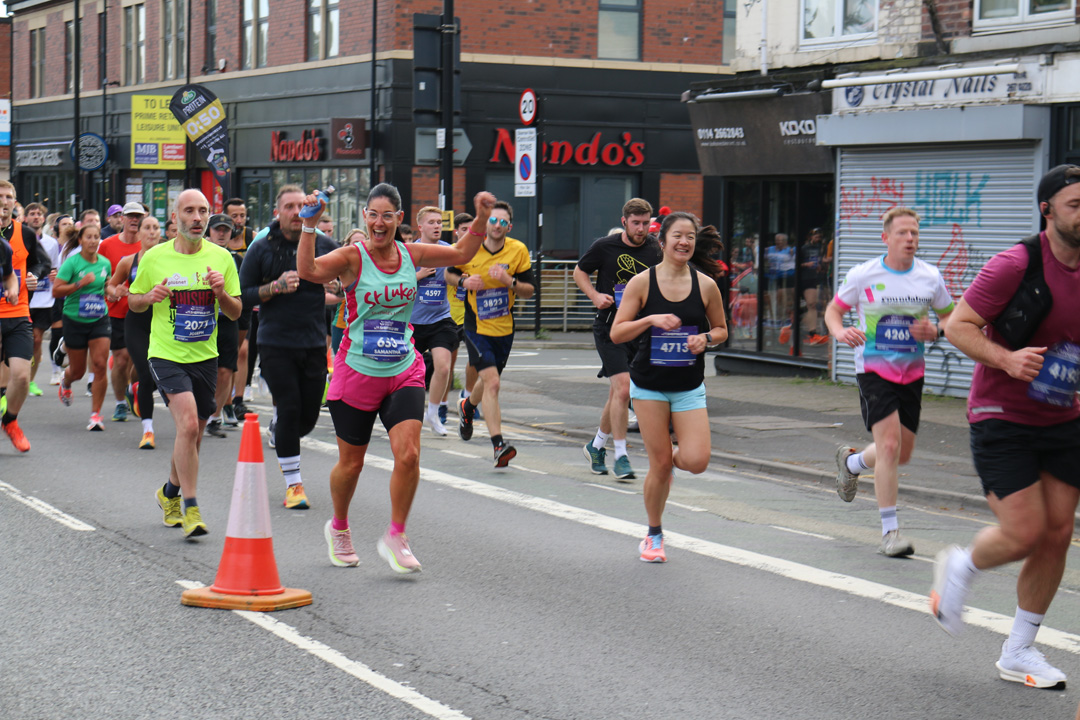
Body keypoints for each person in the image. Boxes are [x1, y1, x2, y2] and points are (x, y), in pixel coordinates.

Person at [931, 164, 1080, 689]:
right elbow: (958, 326)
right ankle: (962, 566)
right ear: (1048, 210)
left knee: (1059, 533)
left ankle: (1019, 650)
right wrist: (1008, 360)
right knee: (1024, 532)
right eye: (1075, 205)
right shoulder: (1015, 263)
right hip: (1002, 416)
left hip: (1063, 418)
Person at [296, 184, 494, 572]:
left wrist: (482, 218)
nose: (379, 223)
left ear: (400, 220)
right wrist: (309, 227)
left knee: (409, 454)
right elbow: (309, 272)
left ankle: (396, 535)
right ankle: (339, 527)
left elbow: (461, 253)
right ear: (365, 218)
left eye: (387, 215)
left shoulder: (411, 254)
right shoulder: (353, 258)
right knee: (351, 465)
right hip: (358, 372)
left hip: (403, 367)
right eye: (372, 215)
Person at [826, 206, 954, 557]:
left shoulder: (930, 277)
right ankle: (889, 533)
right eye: (902, 233)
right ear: (886, 238)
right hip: (873, 371)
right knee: (889, 448)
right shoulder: (864, 274)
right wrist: (840, 331)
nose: (910, 239)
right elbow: (833, 310)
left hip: (911, 373)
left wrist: (937, 330)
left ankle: (851, 464)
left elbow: (953, 318)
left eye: (914, 232)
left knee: (901, 452)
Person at [609, 212, 727, 563]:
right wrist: (650, 319)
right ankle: (653, 535)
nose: (684, 242)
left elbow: (721, 329)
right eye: (677, 235)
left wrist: (705, 338)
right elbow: (617, 332)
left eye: (690, 236)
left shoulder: (706, 285)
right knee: (660, 466)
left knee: (697, 460)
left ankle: (670, 460)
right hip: (649, 385)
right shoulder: (642, 283)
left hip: (689, 385)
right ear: (663, 242)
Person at [128, 189, 242, 539]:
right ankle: (192, 508)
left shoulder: (222, 258)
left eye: (203, 211)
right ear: (174, 218)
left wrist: (221, 293)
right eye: (189, 211)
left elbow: (235, 312)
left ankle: (170, 493)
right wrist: (148, 297)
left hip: (205, 357)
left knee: (193, 436)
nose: (197, 218)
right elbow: (133, 301)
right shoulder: (154, 257)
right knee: (189, 425)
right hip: (165, 354)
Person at [239, 185, 337, 509]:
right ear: (277, 212)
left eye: (301, 206)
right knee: (291, 408)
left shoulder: (323, 245)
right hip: (275, 342)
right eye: (289, 207)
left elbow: (349, 278)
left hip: (312, 341)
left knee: (306, 419)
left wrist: (338, 283)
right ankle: (294, 485)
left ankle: (279, 429)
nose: (297, 212)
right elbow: (244, 294)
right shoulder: (261, 247)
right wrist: (274, 287)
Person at [574, 198, 661, 479]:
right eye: (636, 223)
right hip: (610, 327)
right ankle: (621, 456)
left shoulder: (653, 248)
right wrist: (595, 296)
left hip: (639, 330)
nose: (641, 228)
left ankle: (596, 445)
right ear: (624, 222)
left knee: (617, 394)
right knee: (623, 390)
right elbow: (580, 271)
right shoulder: (604, 246)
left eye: (646, 223)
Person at [445, 200, 535, 467]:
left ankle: (468, 407)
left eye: (502, 221)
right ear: (486, 224)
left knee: (487, 383)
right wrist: (464, 281)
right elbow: (449, 274)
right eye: (492, 220)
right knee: (493, 383)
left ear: (510, 226)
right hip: (476, 326)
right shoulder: (470, 249)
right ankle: (498, 445)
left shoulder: (517, 250)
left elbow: (530, 289)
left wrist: (510, 282)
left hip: (504, 327)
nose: (497, 225)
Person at [0, 180, 49, 452]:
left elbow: (42, 262)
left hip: (18, 313)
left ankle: (10, 421)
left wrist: (34, 276)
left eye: (9, 197)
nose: (4, 201)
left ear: (14, 203)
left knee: (20, 376)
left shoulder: (25, 234)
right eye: (0, 196)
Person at [106, 215, 162, 449]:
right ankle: (148, 430)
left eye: (155, 228)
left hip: (163, 324)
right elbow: (109, 286)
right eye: (147, 228)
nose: (151, 232)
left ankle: (133, 388)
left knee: (160, 374)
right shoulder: (128, 261)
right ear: (139, 234)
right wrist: (115, 290)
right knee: (147, 374)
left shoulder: (171, 259)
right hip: (137, 323)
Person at [52, 224, 112, 430]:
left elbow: (106, 286)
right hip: (74, 319)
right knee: (78, 371)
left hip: (99, 318)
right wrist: (80, 284)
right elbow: (56, 291)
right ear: (81, 240)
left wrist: (112, 291)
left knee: (100, 365)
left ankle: (96, 415)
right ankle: (66, 382)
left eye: (96, 237)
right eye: (89, 237)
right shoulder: (72, 263)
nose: (93, 241)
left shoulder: (105, 263)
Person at [410, 206, 459, 436]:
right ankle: (409, 412)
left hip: (440, 318)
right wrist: (418, 276)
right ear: (420, 227)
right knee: (410, 373)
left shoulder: (448, 251)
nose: (437, 226)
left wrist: (462, 280)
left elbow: (457, 274)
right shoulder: (409, 252)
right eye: (431, 222)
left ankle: (433, 412)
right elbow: (395, 282)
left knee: (443, 366)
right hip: (412, 321)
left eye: (439, 222)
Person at [98, 201, 147, 422]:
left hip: (143, 311)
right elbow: (103, 280)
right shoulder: (107, 245)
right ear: (123, 219)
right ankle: (119, 403)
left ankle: (132, 389)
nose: (134, 220)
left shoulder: (150, 247)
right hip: (117, 311)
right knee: (121, 359)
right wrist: (110, 289)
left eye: (138, 216)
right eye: (130, 216)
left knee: (140, 361)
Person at [201, 214, 242, 438]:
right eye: (218, 229)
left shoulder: (235, 259)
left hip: (226, 319)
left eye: (227, 230)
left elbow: (241, 295)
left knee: (226, 369)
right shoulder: (199, 254)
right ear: (209, 232)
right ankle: (198, 409)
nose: (222, 233)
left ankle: (214, 417)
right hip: (200, 317)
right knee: (201, 370)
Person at [223, 197, 254, 418]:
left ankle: (238, 399)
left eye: (242, 215)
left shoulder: (251, 237)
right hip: (222, 301)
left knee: (242, 351)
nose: (239, 220)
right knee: (230, 353)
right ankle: (224, 400)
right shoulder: (217, 236)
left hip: (245, 299)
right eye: (234, 216)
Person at [27, 204, 59, 397]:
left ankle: (30, 381)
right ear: (27, 218)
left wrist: (54, 275)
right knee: (23, 341)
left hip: (44, 299)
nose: (36, 217)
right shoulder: (21, 238)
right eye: (32, 214)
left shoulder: (51, 243)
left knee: (37, 340)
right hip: (25, 298)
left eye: (39, 214)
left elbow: (54, 267)